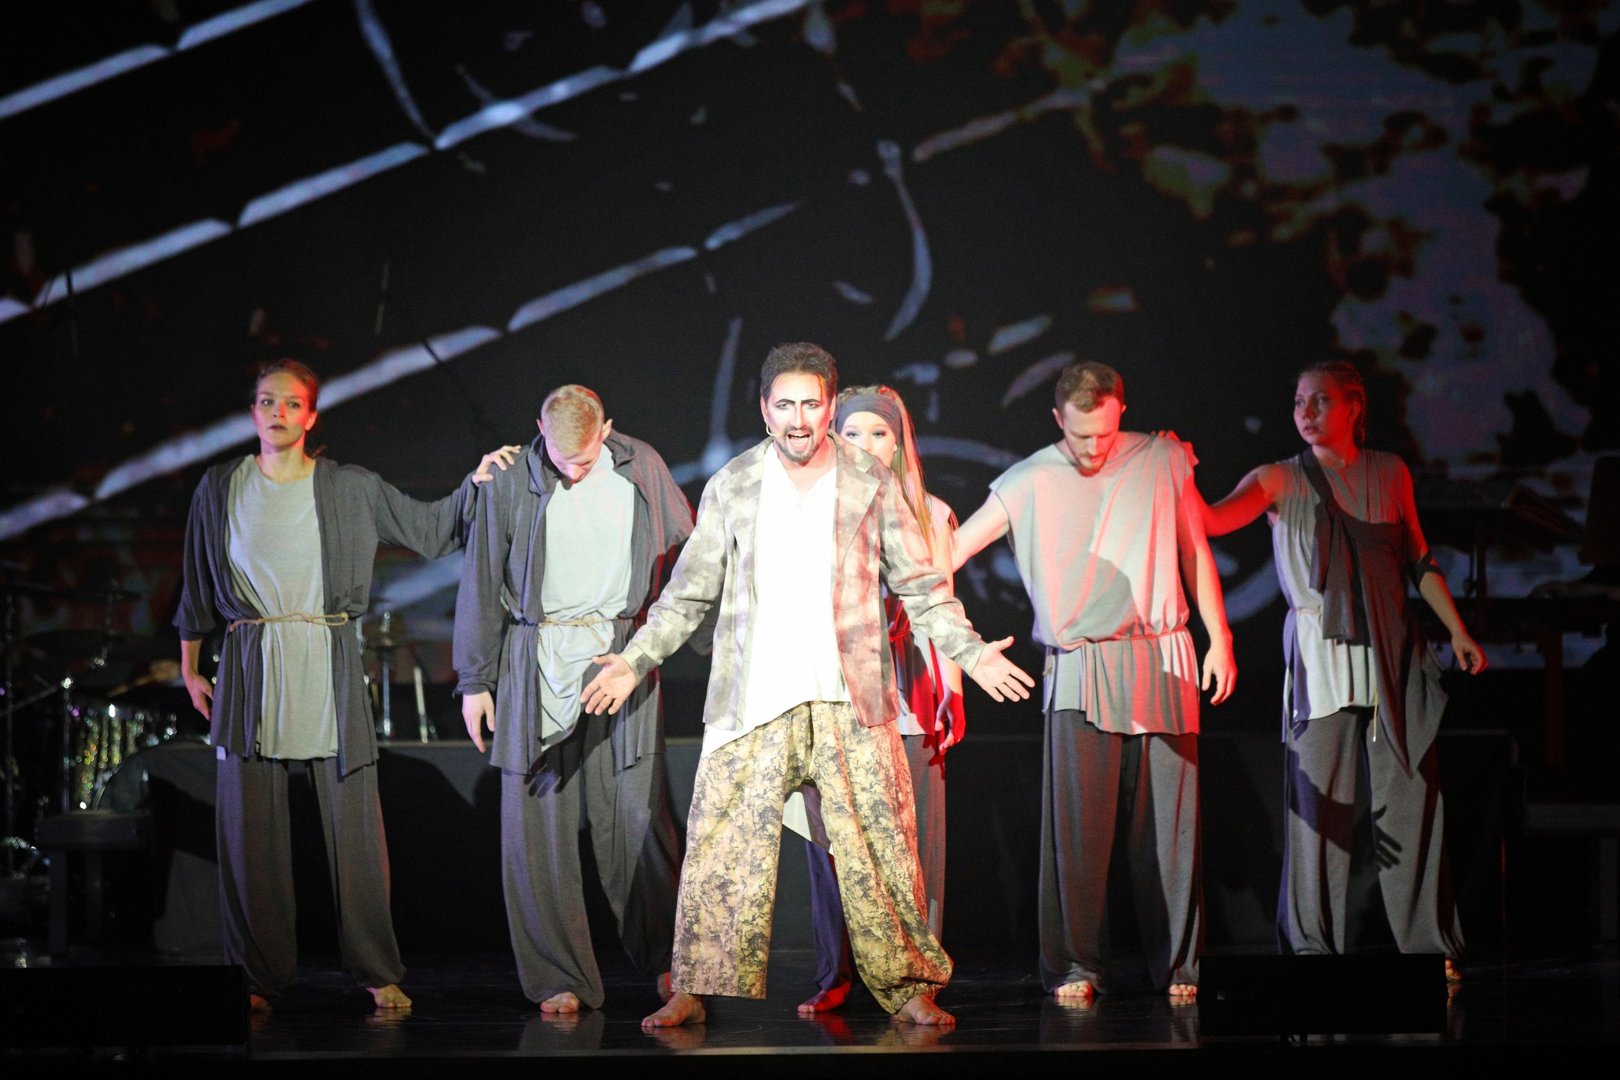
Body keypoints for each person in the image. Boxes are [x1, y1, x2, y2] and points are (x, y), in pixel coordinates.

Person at [583, 342, 1035, 1029]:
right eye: (785, 405)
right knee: (720, 853)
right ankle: (694, 987)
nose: (799, 419)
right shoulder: (734, 483)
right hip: (752, 700)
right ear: (766, 410)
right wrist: (633, 659)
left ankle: (910, 986)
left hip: (850, 698)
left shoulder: (868, 479)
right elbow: (688, 594)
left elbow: (921, 586)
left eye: (811, 404)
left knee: (881, 849)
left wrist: (971, 654)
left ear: (829, 408)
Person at [176, 359, 517, 1011]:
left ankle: (375, 968)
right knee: (250, 836)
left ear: (310, 416)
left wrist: (475, 484)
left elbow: (430, 529)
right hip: (250, 664)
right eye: (267, 401)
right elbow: (195, 585)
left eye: (291, 403)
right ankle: (256, 977)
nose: (278, 413)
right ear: (252, 412)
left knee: (356, 833)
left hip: (326, 658)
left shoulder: (349, 487)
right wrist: (191, 667)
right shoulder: (219, 488)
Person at [951, 360, 1236, 1002]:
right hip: (1081, 664)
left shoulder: (1161, 459)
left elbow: (1194, 547)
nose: (1093, 448)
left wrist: (1220, 638)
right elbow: (951, 554)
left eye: (1104, 434)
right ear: (1058, 419)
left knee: (1170, 833)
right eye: (1080, 435)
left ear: (1121, 414)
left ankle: (1180, 966)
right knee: (1079, 832)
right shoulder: (1027, 480)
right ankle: (1077, 966)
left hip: (1161, 654)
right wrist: (964, 647)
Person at [1193, 360, 1482, 981]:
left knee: (1411, 804)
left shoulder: (1390, 471)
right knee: (1317, 813)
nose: (1306, 412)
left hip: (1392, 652)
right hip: (1322, 657)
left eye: (1320, 400)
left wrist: (1457, 630)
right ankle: (1312, 953)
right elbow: (1212, 521)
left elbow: (1418, 557)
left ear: (1354, 406)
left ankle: (1429, 947)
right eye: (1299, 401)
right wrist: (1175, 471)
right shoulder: (1278, 477)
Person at [454, 384, 693, 1014]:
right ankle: (559, 975)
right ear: (539, 429)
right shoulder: (510, 479)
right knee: (538, 832)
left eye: (584, 460)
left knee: (638, 819)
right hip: (535, 660)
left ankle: (670, 963)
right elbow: (480, 577)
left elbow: (693, 555)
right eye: (562, 461)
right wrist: (475, 681)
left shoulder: (641, 465)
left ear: (607, 430)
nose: (574, 471)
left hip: (620, 656)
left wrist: (671, 641)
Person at [795, 384, 964, 1015]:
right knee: (832, 845)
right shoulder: (812, 507)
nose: (866, 445)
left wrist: (952, 690)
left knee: (916, 846)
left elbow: (941, 608)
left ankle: (919, 979)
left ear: (898, 443)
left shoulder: (929, 512)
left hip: (908, 698)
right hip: (835, 699)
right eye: (853, 433)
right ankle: (835, 973)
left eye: (880, 434)